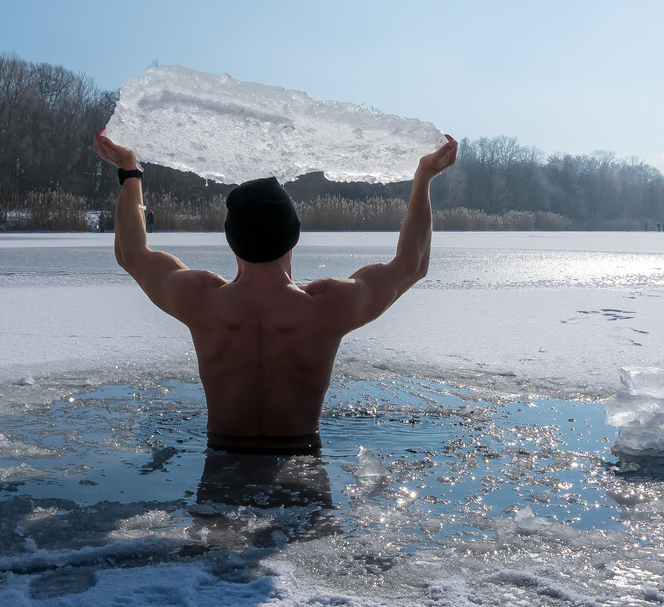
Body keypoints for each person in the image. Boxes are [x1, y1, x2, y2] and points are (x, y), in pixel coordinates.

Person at [90, 127, 458, 456]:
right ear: (292, 239)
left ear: (233, 243)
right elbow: (412, 265)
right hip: (302, 462)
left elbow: (132, 254)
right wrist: (424, 177)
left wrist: (129, 173)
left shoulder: (201, 301)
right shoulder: (328, 307)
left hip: (223, 461)